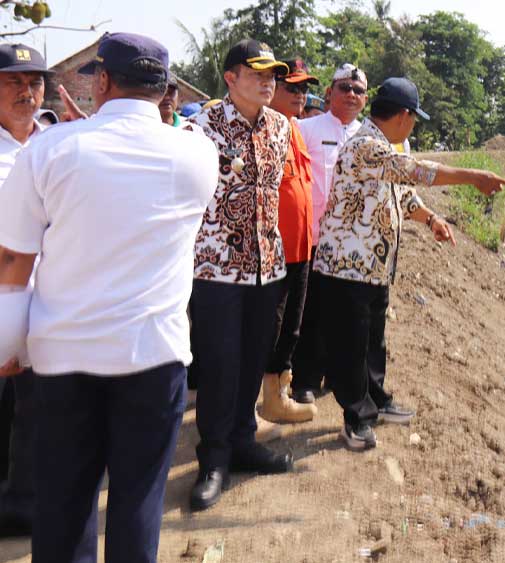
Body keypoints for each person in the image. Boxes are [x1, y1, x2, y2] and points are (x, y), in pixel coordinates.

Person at [0, 32, 218, 563]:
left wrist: (8, 343)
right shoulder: (197, 152)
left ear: (101, 80)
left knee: (65, 503)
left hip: (63, 357)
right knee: (137, 501)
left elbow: (14, 262)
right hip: (153, 355)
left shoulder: (51, 149)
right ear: (165, 89)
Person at [313, 77, 505, 450]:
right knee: (351, 345)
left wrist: (432, 219)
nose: (413, 125)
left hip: (374, 266)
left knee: (374, 340)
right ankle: (355, 417)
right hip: (346, 269)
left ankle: (376, 400)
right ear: (404, 116)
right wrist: (474, 177)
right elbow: (418, 171)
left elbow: (403, 195)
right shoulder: (365, 146)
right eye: (414, 118)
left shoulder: (384, 148)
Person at [187, 39, 293, 512]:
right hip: (215, 270)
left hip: (266, 267)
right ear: (230, 78)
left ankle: (244, 442)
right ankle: (213, 459)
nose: (269, 80)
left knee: (253, 359)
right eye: (258, 72)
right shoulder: (201, 127)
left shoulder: (281, 128)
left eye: (274, 73)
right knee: (218, 367)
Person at [292, 63, 368, 404]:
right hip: (313, 238)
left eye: (358, 90)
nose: (351, 94)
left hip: (352, 244)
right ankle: (304, 378)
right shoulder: (305, 128)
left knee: (344, 316)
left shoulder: (368, 137)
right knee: (310, 313)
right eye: (344, 88)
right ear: (329, 93)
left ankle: (336, 378)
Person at [0, 42, 49, 537]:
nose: (26, 91)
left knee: (33, 414)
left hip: (42, 305)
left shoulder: (53, 146)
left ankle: (22, 505)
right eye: (13, 80)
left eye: (34, 82)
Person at [259, 58, 319, 424]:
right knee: (270, 325)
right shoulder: (265, 128)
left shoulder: (294, 128)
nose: (301, 95)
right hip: (275, 248)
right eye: (293, 88)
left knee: (290, 325)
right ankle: (267, 398)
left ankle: (277, 393)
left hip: (301, 246)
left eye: (304, 88)